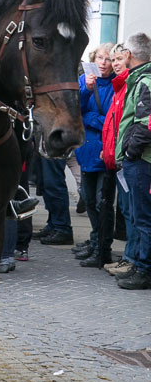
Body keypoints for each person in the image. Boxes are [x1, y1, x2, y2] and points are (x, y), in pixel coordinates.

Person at [74, 43, 116, 267]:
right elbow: (74, 110)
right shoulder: (85, 81)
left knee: (102, 202)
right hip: (86, 149)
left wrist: (89, 118)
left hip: (104, 149)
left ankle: (102, 247)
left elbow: (111, 118)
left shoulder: (116, 85)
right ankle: (94, 239)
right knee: (89, 200)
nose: (103, 63)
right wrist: (85, 91)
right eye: (100, 58)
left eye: (108, 59)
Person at [114, 33, 151, 290]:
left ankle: (144, 270)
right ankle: (139, 264)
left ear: (130, 55)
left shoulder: (145, 81)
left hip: (141, 162)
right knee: (139, 217)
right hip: (137, 160)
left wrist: (129, 153)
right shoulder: (138, 79)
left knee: (143, 218)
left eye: (123, 51)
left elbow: (145, 125)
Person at [102, 44, 137, 278]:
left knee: (132, 213)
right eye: (112, 59)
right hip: (118, 159)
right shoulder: (119, 86)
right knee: (126, 211)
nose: (114, 63)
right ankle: (129, 257)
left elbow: (129, 126)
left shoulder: (129, 84)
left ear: (130, 59)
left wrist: (121, 153)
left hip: (128, 160)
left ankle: (133, 260)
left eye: (118, 59)